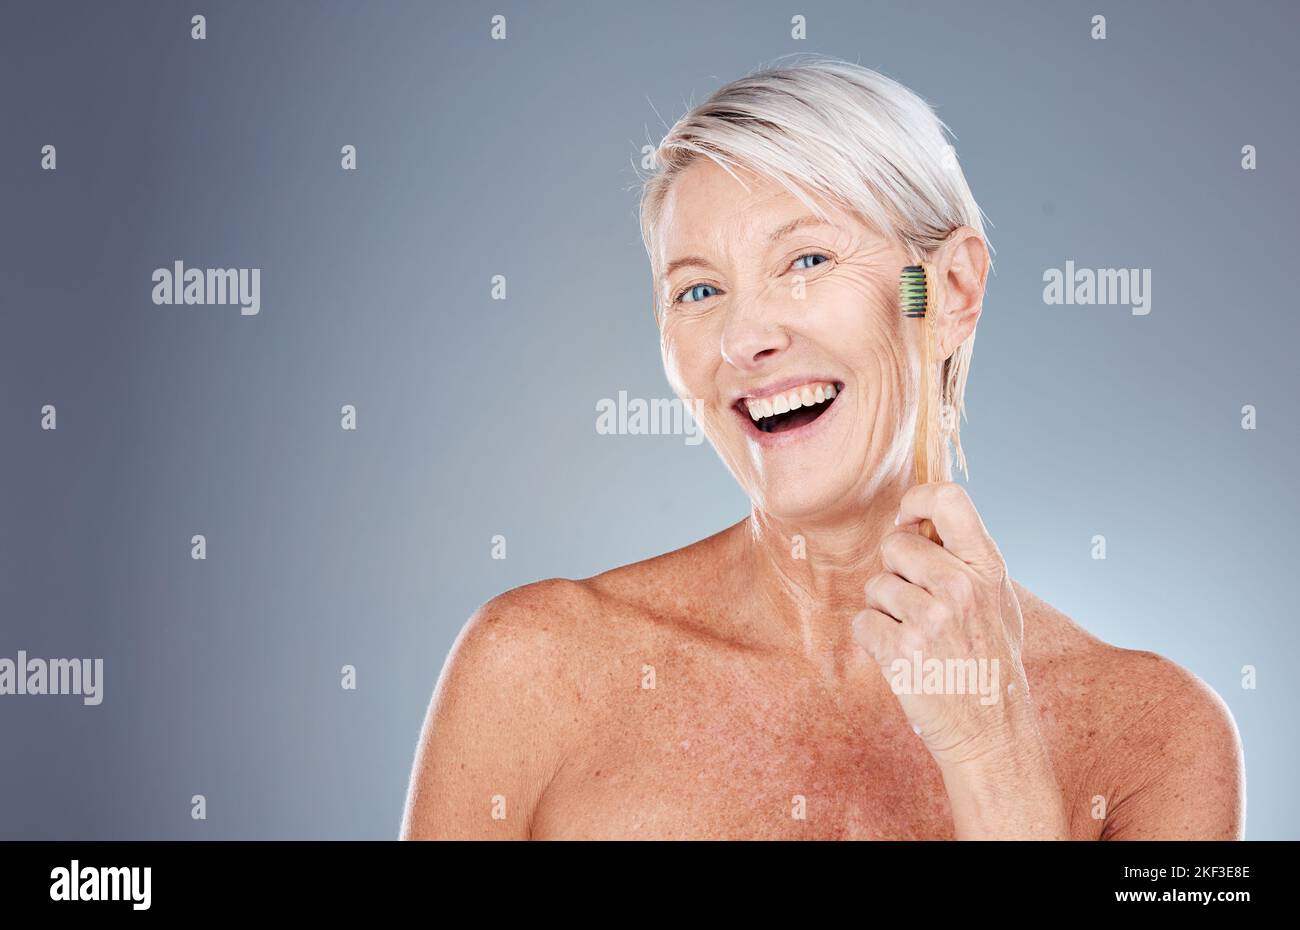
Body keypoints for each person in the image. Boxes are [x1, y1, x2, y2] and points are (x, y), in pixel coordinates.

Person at [401, 57, 1244, 840]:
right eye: (698, 290)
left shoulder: (1160, 739)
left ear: (949, 290)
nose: (746, 335)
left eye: (806, 259)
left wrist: (993, 754)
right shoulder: (532, 669)